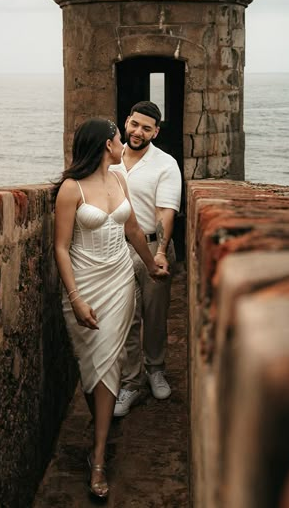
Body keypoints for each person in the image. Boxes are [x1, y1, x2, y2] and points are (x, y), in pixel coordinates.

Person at [53, 118, 167, 500]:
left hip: (119, 279)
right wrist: (75, 297)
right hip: (84, 283)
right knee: (91, 364)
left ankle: (98, 457)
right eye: (119, 135)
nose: (124, 140)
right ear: (107, 144)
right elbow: (60, 247)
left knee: (111, 360)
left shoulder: (119, 180)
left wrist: (151, 266)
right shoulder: (71, 189)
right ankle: (100, 423)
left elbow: (133, 229)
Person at [111, 101, 182, 417]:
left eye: (147, 128)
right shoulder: (109, 160)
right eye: (135, 125)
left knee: (154, 315)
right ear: (126, 122)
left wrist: (162, 252)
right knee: (125, 319)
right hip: (116, 250)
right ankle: (130, 383)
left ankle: (155, 370)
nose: (138, 132)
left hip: (153, 247)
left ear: (156, 131)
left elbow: (165, 211)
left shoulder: (165, 164)